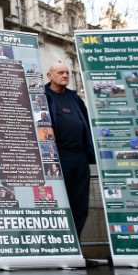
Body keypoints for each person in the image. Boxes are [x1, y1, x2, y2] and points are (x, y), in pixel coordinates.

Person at [44, 62, 96, 238]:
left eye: (67, 72)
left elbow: (86, 123)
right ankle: (58, 247)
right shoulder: (43, 96)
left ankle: (76, 247)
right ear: (49, 76)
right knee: (58, 203)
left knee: (80, 204)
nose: (65, 75)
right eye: (60, 72)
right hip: (57, 156)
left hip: (79, 156)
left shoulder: (75, 98)